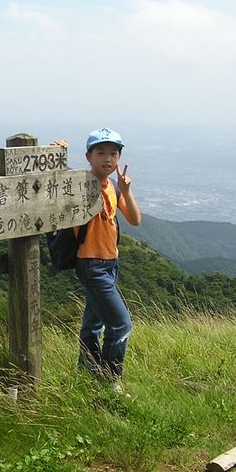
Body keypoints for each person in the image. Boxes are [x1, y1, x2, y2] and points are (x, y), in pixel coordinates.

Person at [54, 128, 142, 396]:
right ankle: (110, 380)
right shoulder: (82, 186)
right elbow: (57, 186)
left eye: (113, 153)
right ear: (88, 156)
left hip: (110, 264)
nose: (107, 159)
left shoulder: (113, 187)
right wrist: (56, 156)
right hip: (91, 264)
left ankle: (87, 372)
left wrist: (126, 191)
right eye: (100, 153)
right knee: (121, 324)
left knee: (93, 325)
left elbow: (135, 220)